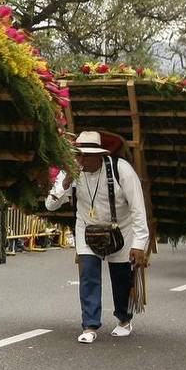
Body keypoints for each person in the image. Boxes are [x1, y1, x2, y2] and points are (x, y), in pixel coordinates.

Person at [45, 131, 149, 343]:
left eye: (87, 156)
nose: (82, 160)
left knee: (121, 278)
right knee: (89, 274)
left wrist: (139, 245)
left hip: (121, 229)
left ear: (100, 155)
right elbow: (50, 204)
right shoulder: (71, 171)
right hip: (87, 229)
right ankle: (90, 325)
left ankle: (123, 319)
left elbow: (138, 209)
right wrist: (65, 184)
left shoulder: (122, 170)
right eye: (79, 156)